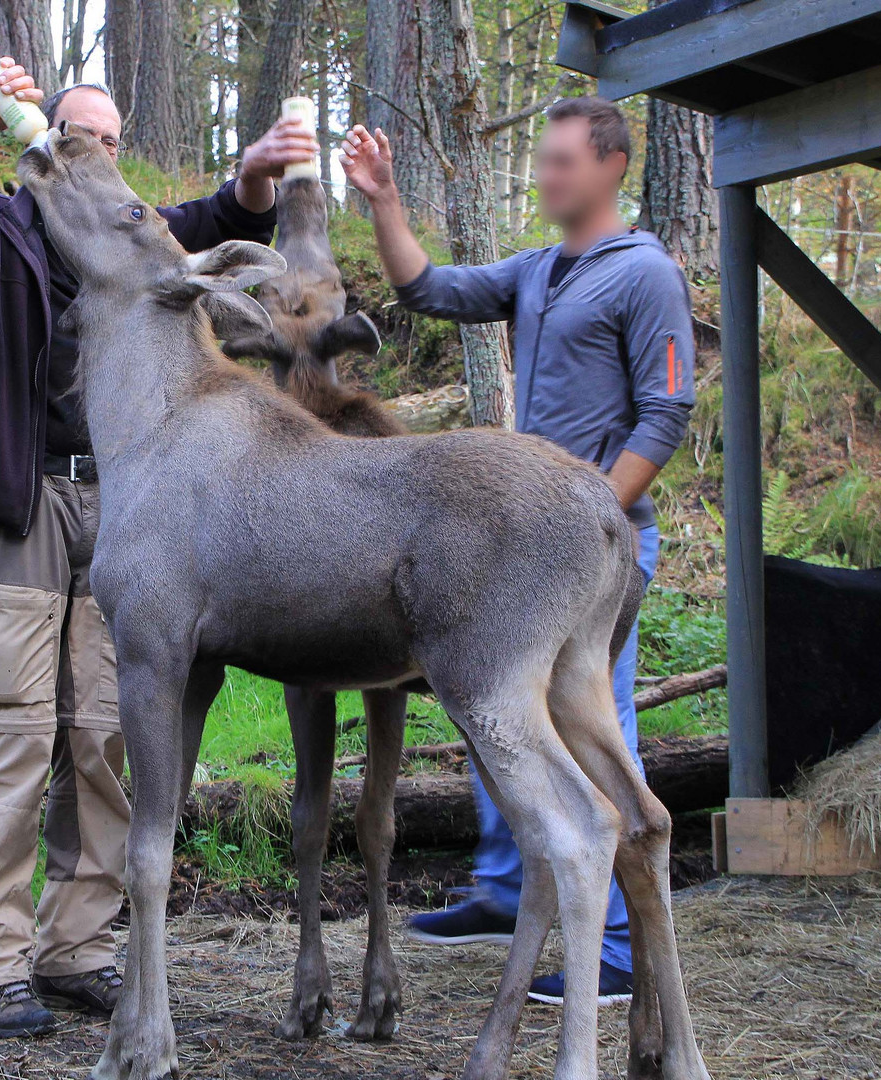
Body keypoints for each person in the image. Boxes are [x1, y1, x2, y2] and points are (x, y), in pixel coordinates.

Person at [0, 60, 319, 1038]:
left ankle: (76, 949)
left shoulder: (125, 237)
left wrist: (253, 177)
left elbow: (202, 225)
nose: (101, 156)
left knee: (106, 742)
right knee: (14, 736)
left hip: (123, 509)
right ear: (45, 149)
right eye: (82, 137)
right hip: (21, 505)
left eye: (113, 142)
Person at [339, 96, 695, 1006]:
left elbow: (667, 414)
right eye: (541, 160)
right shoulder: (540, 270)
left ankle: (615, 946)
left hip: (587, 548)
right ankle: (508, 888)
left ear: (612, 167)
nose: (545, 176)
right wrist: (384, 202)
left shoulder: (644, 272)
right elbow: (430, 289)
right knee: (492, 710)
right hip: (528, 549)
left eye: (562, 162)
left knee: (589, 730)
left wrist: (586, 527)